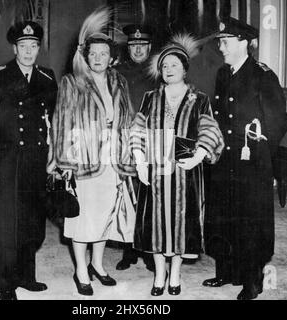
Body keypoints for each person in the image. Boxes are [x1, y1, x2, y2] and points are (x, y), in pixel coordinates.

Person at [47, 6, 136, 296]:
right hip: (84, 160)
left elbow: (129, 118)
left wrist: (132, 153)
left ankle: (98, 265)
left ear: (112, 58)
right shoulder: (72, 82)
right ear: (86, 57)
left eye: (104, 54)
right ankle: (81, 270)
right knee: (82, 217)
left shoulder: (119, 82)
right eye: (93, 54)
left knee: (105, 216)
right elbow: (61, 122)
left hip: (114, 161)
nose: (98, 59)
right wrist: (64, 162)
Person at [130, 33, 224, 296]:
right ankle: (159, 275)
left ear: (184, 68)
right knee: (156, 225)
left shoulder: (199, 98)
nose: (168, 70)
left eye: (174, 65)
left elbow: (209, 128)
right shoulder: (150, 97)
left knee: (182, 224)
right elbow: (137, 130)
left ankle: (175, 274)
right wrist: (139, 161)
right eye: (164, 66)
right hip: (156, 171)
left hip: (185, 173)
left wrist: (198, 154)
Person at [203, 18, 287, 300]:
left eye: (225, 41)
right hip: (225, 160)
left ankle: (253, 279)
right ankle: (227, 270)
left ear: (243, 43)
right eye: (219, 41)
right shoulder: (223, 74)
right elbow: (218, 116)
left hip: (251, 162)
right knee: (223, 215)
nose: (220, 46)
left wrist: (260, 158)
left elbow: (277, 122)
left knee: (251, 221)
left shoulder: (263, 75)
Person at [0, 21, 58, 300]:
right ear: (15, 48)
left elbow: (51, 122)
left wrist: (52, 157)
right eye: (23, 46)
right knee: (5, 226)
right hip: (6, 162)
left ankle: (27, 276)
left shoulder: (47, 78)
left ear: (38, 48)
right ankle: (6, 284)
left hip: (35, 162)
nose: (28, 51)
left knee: (32, 222)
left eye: (33, 46)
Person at [115, 24, 155, 272]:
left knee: (151, 197)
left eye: (142, 45)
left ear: (149, 47)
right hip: (124, 141)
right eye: (133, 45)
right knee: (128, 197)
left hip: (153, 142)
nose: (138, 49)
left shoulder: (160, 71)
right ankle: (129, 250)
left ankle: (150, 251)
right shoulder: (117, 72)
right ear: (128, 48)